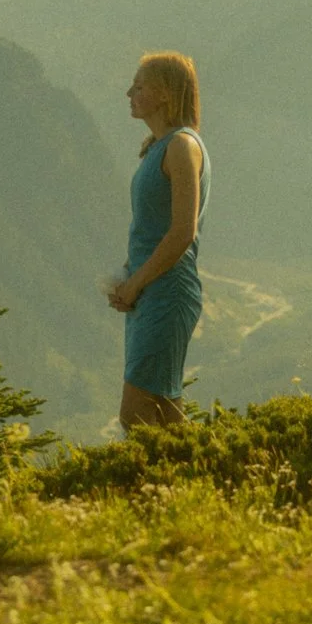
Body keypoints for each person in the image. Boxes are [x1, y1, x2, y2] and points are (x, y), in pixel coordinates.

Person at [108, 51, 210, 431]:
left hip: (166, 294)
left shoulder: (182, 147)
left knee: (135, 416)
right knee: (166, 416)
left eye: (139, 85)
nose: (129, 92)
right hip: (152, 292)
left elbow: (183, 231)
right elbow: (151, 228)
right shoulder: (158, 147)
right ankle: (195, 483)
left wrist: (135, 283)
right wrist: (128, 279)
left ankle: (159, 487)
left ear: (165, 93)